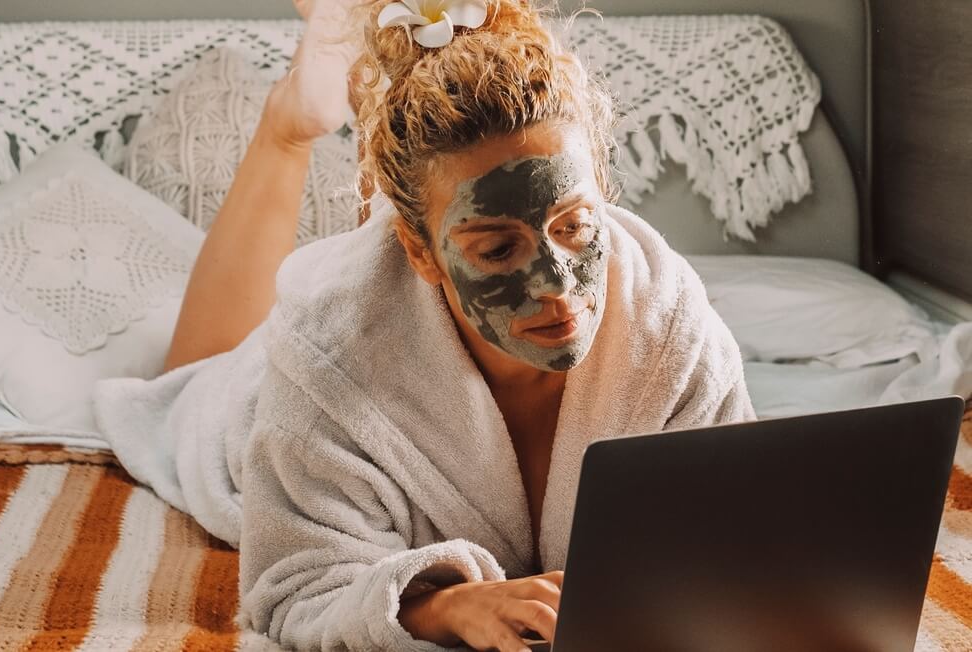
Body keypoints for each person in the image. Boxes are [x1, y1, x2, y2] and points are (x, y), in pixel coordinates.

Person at [98, 0, 755, 650]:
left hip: (391, 294)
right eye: (498, 251)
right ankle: (293, 123)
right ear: (418, 252)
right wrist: (446, 606)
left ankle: (377, 104)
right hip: (274, 388)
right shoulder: (327, 354)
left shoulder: (671, 329)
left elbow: (743, 538)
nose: (557, 287)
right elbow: (294, 591)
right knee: (192, 376)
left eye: (576, 227)